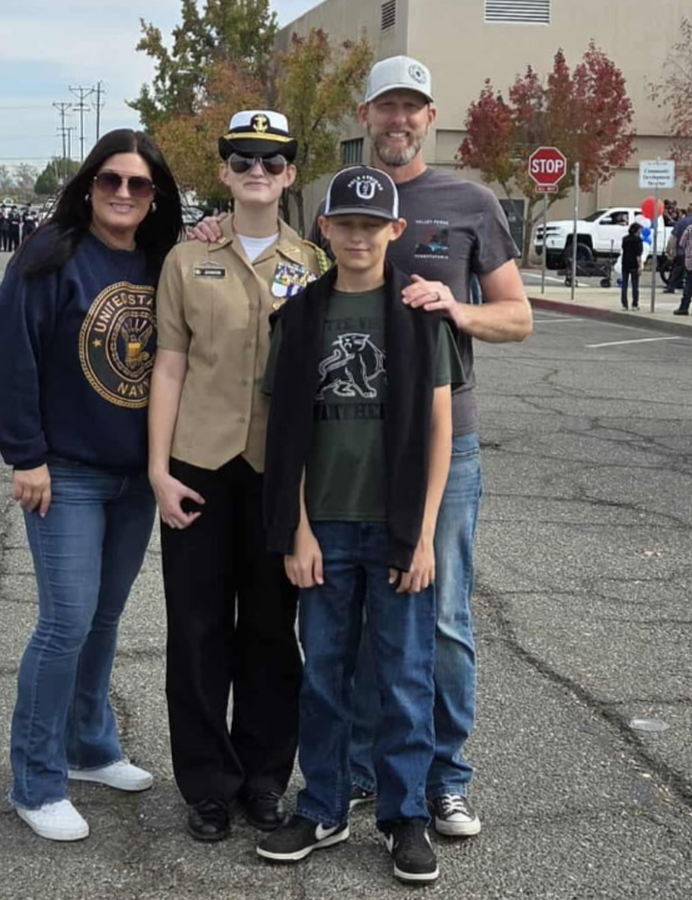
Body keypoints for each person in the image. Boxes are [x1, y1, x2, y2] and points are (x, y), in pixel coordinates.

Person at [190, 58, 531, 839]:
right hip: (342, 462)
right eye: (386, 106)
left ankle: (442, 782)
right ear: (366, 115)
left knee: (437, 625)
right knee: (350, 644)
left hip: (442, 441)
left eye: (412, 107)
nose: (398, 119)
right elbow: (289, 281)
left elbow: (517, 317)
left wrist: (455, 310)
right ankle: (356, 780)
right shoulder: (333, 209)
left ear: (431, 116)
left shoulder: (471, 203)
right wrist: (211, 228)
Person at [256, 164, 460, 883]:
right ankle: (324, 806)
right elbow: (286, 432)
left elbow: (440, 430)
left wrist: (425, 532)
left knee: (404, 677)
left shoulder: (418, 314)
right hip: (327, 527)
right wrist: (298, 528)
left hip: (398, 524)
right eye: (346, 224)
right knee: (324, 676)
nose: (359, 237)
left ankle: (405, 815)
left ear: (394, 230)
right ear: (325, 229)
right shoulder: (301, 316)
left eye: (372, 226)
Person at [0, 128, 183, 842]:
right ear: (89, 184)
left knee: (103, 618)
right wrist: (26, 455)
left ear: (155, 195)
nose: (123, 193)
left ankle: (89, 747)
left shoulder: (162, 261)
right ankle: (35, 781)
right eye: (110, 179)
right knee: (65, 621)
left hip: (136, 476)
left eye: (138, 183)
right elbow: (9, 353)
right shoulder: (50, 255)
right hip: (64, 472)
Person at [149, 110, 327, 843]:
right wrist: (157, 471)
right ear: (223, 171)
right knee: (196, 632)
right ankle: (207, 786)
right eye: (244, 159)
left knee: (270, 632)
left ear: (290, 175)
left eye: (273, 161)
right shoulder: (187, 260)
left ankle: (263, 779)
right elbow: (169, 367)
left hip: (277, 473)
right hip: (198, 467)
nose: (259, 171)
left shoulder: (313, 264)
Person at [664, 202, 692, 294]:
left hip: (680, 250)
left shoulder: (680, 222)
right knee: (690, 271)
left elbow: (673, 237)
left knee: (677, 269)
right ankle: (684, 286)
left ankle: (672, 285)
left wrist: (670, 249)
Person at [620, 222, 643, 310]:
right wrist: (640, 266)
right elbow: (638, 255)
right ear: (637, 230)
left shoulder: (625, 239)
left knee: (624, 284)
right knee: (635, 285)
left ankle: (624, 304)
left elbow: (623, 249)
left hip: (625, 262)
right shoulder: (638, 240)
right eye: (640, 230)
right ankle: (634, 304)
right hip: (634, 264)